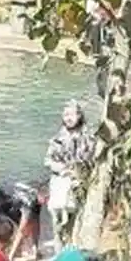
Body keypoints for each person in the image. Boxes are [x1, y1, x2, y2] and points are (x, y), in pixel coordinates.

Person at [44, 100, 96, 250]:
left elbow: (93, 160)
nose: (68, 118)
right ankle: (59, 252)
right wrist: (62, 169)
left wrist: (80, 173)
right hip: (60, 183)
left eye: (71, 114)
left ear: (79, 115)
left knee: (77, 220)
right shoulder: (57, 138)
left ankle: (73, 249)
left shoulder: (88, 137)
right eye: (65, 115)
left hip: (80, 183)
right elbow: (48, 160)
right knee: (57, 221)